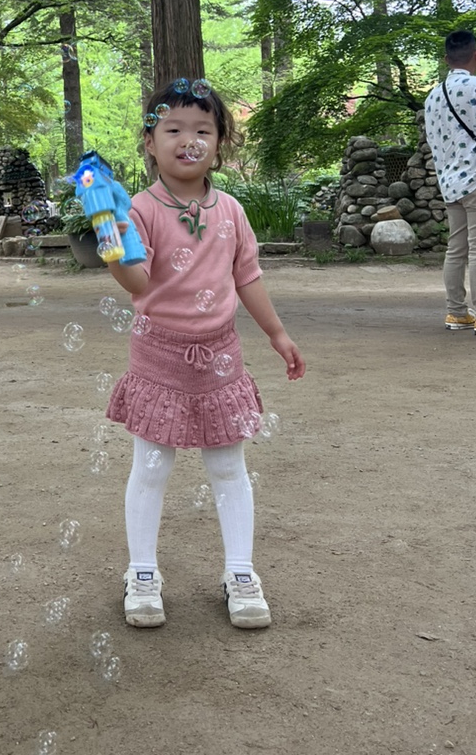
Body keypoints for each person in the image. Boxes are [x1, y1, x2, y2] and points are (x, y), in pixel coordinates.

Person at [104, 79, 305, 630]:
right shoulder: (140, 210)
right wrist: (112, 243)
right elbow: (137, 282)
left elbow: (249, 277)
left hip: (220, 358)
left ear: (220, 143)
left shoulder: (232, 211)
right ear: (150, 141)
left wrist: (277, 334)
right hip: (158, 358)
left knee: (227, 465)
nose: (187, 139)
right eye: (172, 129)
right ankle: (142, 571)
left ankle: (240, 571)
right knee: (150, 466)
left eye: (202, 130)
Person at [424, 29, 476, 335]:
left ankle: (457, 312)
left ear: (446, 59)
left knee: (456, 249)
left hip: (450, 183)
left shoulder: (433, 96)